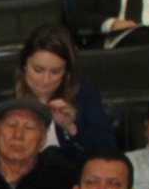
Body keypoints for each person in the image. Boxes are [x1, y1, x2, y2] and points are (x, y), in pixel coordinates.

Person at [11, 24, 114, 163]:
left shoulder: (84, 94)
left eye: (55, 72)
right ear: (24, 65)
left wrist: (71, 128)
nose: (46, 80)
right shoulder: (6, 103)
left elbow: (108, 154)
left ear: (66, 71)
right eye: (38, 70)